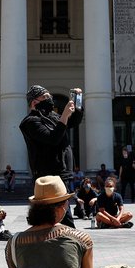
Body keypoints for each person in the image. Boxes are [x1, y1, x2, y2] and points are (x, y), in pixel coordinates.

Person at [19, 84, 83, 227]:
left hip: (62, 173)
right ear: (35, 102)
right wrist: (65, 115)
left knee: (61, 212)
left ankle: (62, 239)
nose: (50, 99)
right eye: (46, 97)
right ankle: (68, 241)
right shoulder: (30, 122)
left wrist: (77, 103)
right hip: (48, 175)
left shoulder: (52, 116)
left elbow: (73, 121)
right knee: (60, 214)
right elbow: (52, 139)